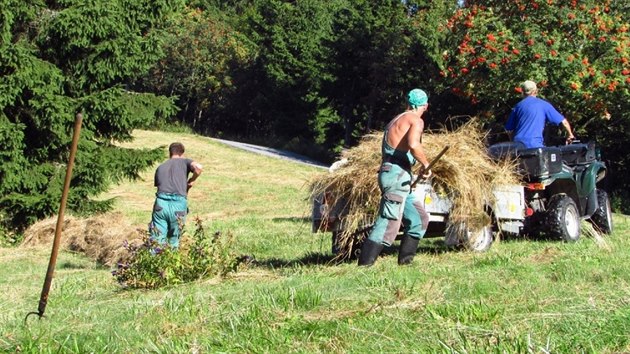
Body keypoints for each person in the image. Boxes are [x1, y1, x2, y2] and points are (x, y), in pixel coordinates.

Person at [358, 88, 432, 266]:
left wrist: (414, 167)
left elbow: (402, 149)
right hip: (396, 175)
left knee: (418, 219)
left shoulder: (397, 119)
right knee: (389, 222)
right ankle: (363, 267)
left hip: (397, 173)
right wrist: (426, 163)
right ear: (425, 106)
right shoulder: (416, 120)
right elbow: (414, 144)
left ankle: (405, 264)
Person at [149, 142, 203, 248]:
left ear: (170, 153)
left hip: (161, 204)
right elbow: (199, 167)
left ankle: (154, 261)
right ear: (182, 153)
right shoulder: (185, 162)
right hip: (178, 205)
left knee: (157, 241)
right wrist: (191, 181)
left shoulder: (160, 167)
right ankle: (171, 262)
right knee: (174, 241)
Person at [505, 80, 575, 149]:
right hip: (534, 145)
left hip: (518, 146)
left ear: (522, 92)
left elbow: (509, 130)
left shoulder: (517, 106)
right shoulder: (543, 105)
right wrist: (570, 135)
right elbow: (564, 122)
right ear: (536, 91)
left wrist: (513, 143)